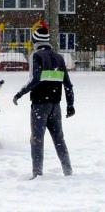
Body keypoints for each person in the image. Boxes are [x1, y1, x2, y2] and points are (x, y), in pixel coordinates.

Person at [13, 27, 75, 179]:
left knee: (37, 139)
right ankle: (68, 171)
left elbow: (35, 79)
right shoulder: (59, 58)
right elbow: (68, 84)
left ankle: (37, 173)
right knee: (59, 139)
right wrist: (70, 105)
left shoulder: (36, 55)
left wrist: (19, 94)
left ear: (35, 41)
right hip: (56, 105)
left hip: (40, 105)